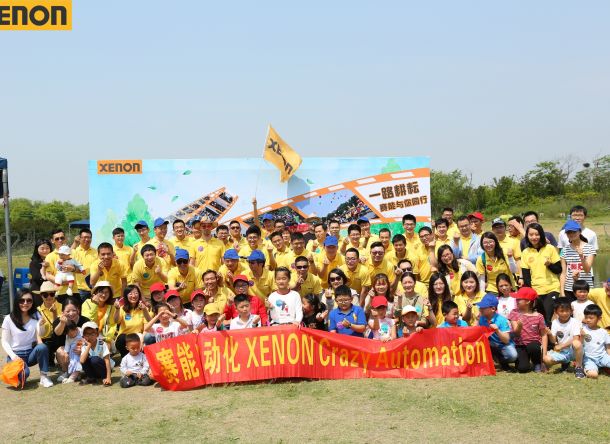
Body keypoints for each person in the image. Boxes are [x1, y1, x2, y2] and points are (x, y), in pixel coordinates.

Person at [1, 290, 53, 387]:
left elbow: (41, 335)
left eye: (29, 300)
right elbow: (4, 341)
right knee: (25, 374)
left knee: (42, 347)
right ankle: (14, 372)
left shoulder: (36, 315)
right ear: (17, 301)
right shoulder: (8, 318)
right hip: (16, 355)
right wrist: (13, 356)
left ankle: (44, 376)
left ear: (32, 302)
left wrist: (41, 325)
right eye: (22, 300)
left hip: (31, 354)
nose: (25, 303)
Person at [521, 223, 562, 326]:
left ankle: (549, 342)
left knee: (547, 316)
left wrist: (550, 265)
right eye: (531, 235)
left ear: (541, 235)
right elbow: (526, 277)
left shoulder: (550, 248)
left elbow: (558, 269)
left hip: (552, 288)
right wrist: (530, 294)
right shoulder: (526, 252)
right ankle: (543, 340)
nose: (534, 237)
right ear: (527, 236)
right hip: (536, 290)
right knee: (539, 317)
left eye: (537, 234)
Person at [508, 287, 547, 373]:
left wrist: (544, 357)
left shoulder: (539, 316)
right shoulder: (514, 312)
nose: (516, 301)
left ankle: (537, 362)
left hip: (534, 344)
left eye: (519, 299)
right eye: (516, 299)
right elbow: (516, 333)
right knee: (522, 369)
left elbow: (544, 335)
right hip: (520, 345)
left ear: (528, 301)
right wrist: (519, 327)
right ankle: (526, 360)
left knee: (533, 347)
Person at [543, 298, 584, 378]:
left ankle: (578, 367)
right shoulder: (555, 323)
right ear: (556, 312)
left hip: (573, 351)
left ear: (571, 311)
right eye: (561, 311)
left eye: (567, 311)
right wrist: (550, 334)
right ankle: (565, 362)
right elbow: (553, 341)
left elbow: (575, 339)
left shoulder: (575, 322)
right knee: (546, 359)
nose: (565, 313)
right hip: (562, 352)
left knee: (577, 343)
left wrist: (561, 346)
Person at [51, 297, 90, 381]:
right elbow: (57, 333)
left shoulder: (85, 321)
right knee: (60, 351)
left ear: (78, 310)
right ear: (62, 312)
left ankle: (80, 371)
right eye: (67, 311)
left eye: (74, 310)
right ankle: (66, 372)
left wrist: (83, 349)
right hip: (68, 350)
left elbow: (90, 339)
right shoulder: (59, 321)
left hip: (83, 349)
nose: (71, 313)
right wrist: (62, 323)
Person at [476, 293, 518, 371]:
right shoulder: (482, 318)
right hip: (490, 344)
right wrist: (477, 321)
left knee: (513, 355)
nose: (480, 309)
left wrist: (497, 330)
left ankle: (501, 361)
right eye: (480, 307)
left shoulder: (502, 320)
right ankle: (491, 360)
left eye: (483, 307)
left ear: (493, 309)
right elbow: (477, 334)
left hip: (503, 345)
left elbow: (506, 340)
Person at [113, 285, 152, 357]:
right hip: (125, 338)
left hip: (138, 338)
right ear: (126, 296)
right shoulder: (122, 309)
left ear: (139, 295)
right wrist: (117, 309)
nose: (133, 296)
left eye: (136, 293)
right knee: (121, 338)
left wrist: (142, 341)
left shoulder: (144, 309)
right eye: (130, 294)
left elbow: (147, 327)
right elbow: (116, 321)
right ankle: (126, 358)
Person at [559, 220, 594, 298]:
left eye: (574, 232)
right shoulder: (564, 250)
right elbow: (563, 273)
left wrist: (581, 257)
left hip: (585, 289)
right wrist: (562, 292)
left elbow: (587, 270)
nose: (571, 234)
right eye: (569, 232)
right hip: (569, 289)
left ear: (579, 232)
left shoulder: (589, 248)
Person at [35, 281, 62, 364]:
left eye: (51, 294)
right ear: (41, 296)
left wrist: (55, 313)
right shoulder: (38, 310)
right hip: (45, 339)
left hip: (59, 337)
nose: (49, 297)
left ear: (55, 294)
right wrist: (39, 325)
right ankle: (49, 357)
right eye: (45, 295)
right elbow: (37, 332)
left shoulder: (61, 306)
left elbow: (58, 327)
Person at [581, 304, 610, 379]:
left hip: (602, 357)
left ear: (599, 318)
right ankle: (587, 367)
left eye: (591, 318)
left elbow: (608, 348)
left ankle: (603, 366)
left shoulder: (604, 332)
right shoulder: (582, 329)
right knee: (593, 375)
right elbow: (578, 346)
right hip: (589, 358)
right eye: (586, 317)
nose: (588, 320)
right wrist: (581, 337)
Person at [72, 228, 98, 301]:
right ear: (80, 238)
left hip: (93, 289)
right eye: (84, 237)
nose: (87, 239)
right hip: (79, 289)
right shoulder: (74, 251)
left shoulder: (96, 252)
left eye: (89, 237)